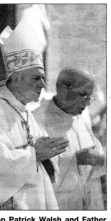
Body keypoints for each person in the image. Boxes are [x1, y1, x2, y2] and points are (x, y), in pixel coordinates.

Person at [0, 16, 69, 210]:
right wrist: (35, 154)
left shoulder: (22, 110)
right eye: (36, 78)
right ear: (16, 79)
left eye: (42, 78)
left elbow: (41, 154)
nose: (42, 84)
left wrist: (50, 151)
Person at [33, 68, 106, 210]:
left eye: (89, 97)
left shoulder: (81, 121)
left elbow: (96, 165)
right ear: (63, 90)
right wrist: (74, 160)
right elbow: (35, 173)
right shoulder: (37, 121)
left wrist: (100, 159)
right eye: (83, 95)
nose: (88, 103)